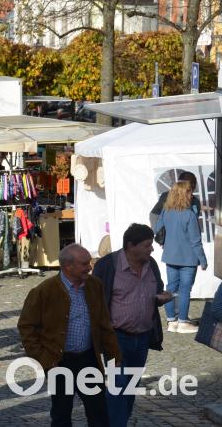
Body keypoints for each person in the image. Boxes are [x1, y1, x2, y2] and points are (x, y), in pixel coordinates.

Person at [18, 243, 122, 427]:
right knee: (61, 414)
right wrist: (44, 359)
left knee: (98, 411)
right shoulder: (44, 291)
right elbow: (27, 327)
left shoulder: (94, 285)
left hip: (89, 359)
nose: (89, 267)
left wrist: (114, 356)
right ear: (68, 266)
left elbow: (104, 323)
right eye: (84, 264)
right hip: (60, 361)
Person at [92, 224, 173, 427]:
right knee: (118, 385)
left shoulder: (151, 264)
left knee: (131, 386)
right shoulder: (108, 266)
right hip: (115, 337)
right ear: (131, 246)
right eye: (147, 245)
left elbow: (158, 290)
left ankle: (119, 421)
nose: (151, 249)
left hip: (143, 337)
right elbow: (92, 299)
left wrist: (161, 298)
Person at [155, 180, 208, 333]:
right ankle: (183, 322)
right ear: (183, 194)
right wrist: (203, 260)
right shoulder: (189, 215)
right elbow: (196, 241)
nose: (192, 195)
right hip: (188, 259)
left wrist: (165, 241)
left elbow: (158, 229)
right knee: (185, 290)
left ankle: (171, 321)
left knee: (170, 289)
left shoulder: (166, 211)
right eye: (190, 192)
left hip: (170, 257)